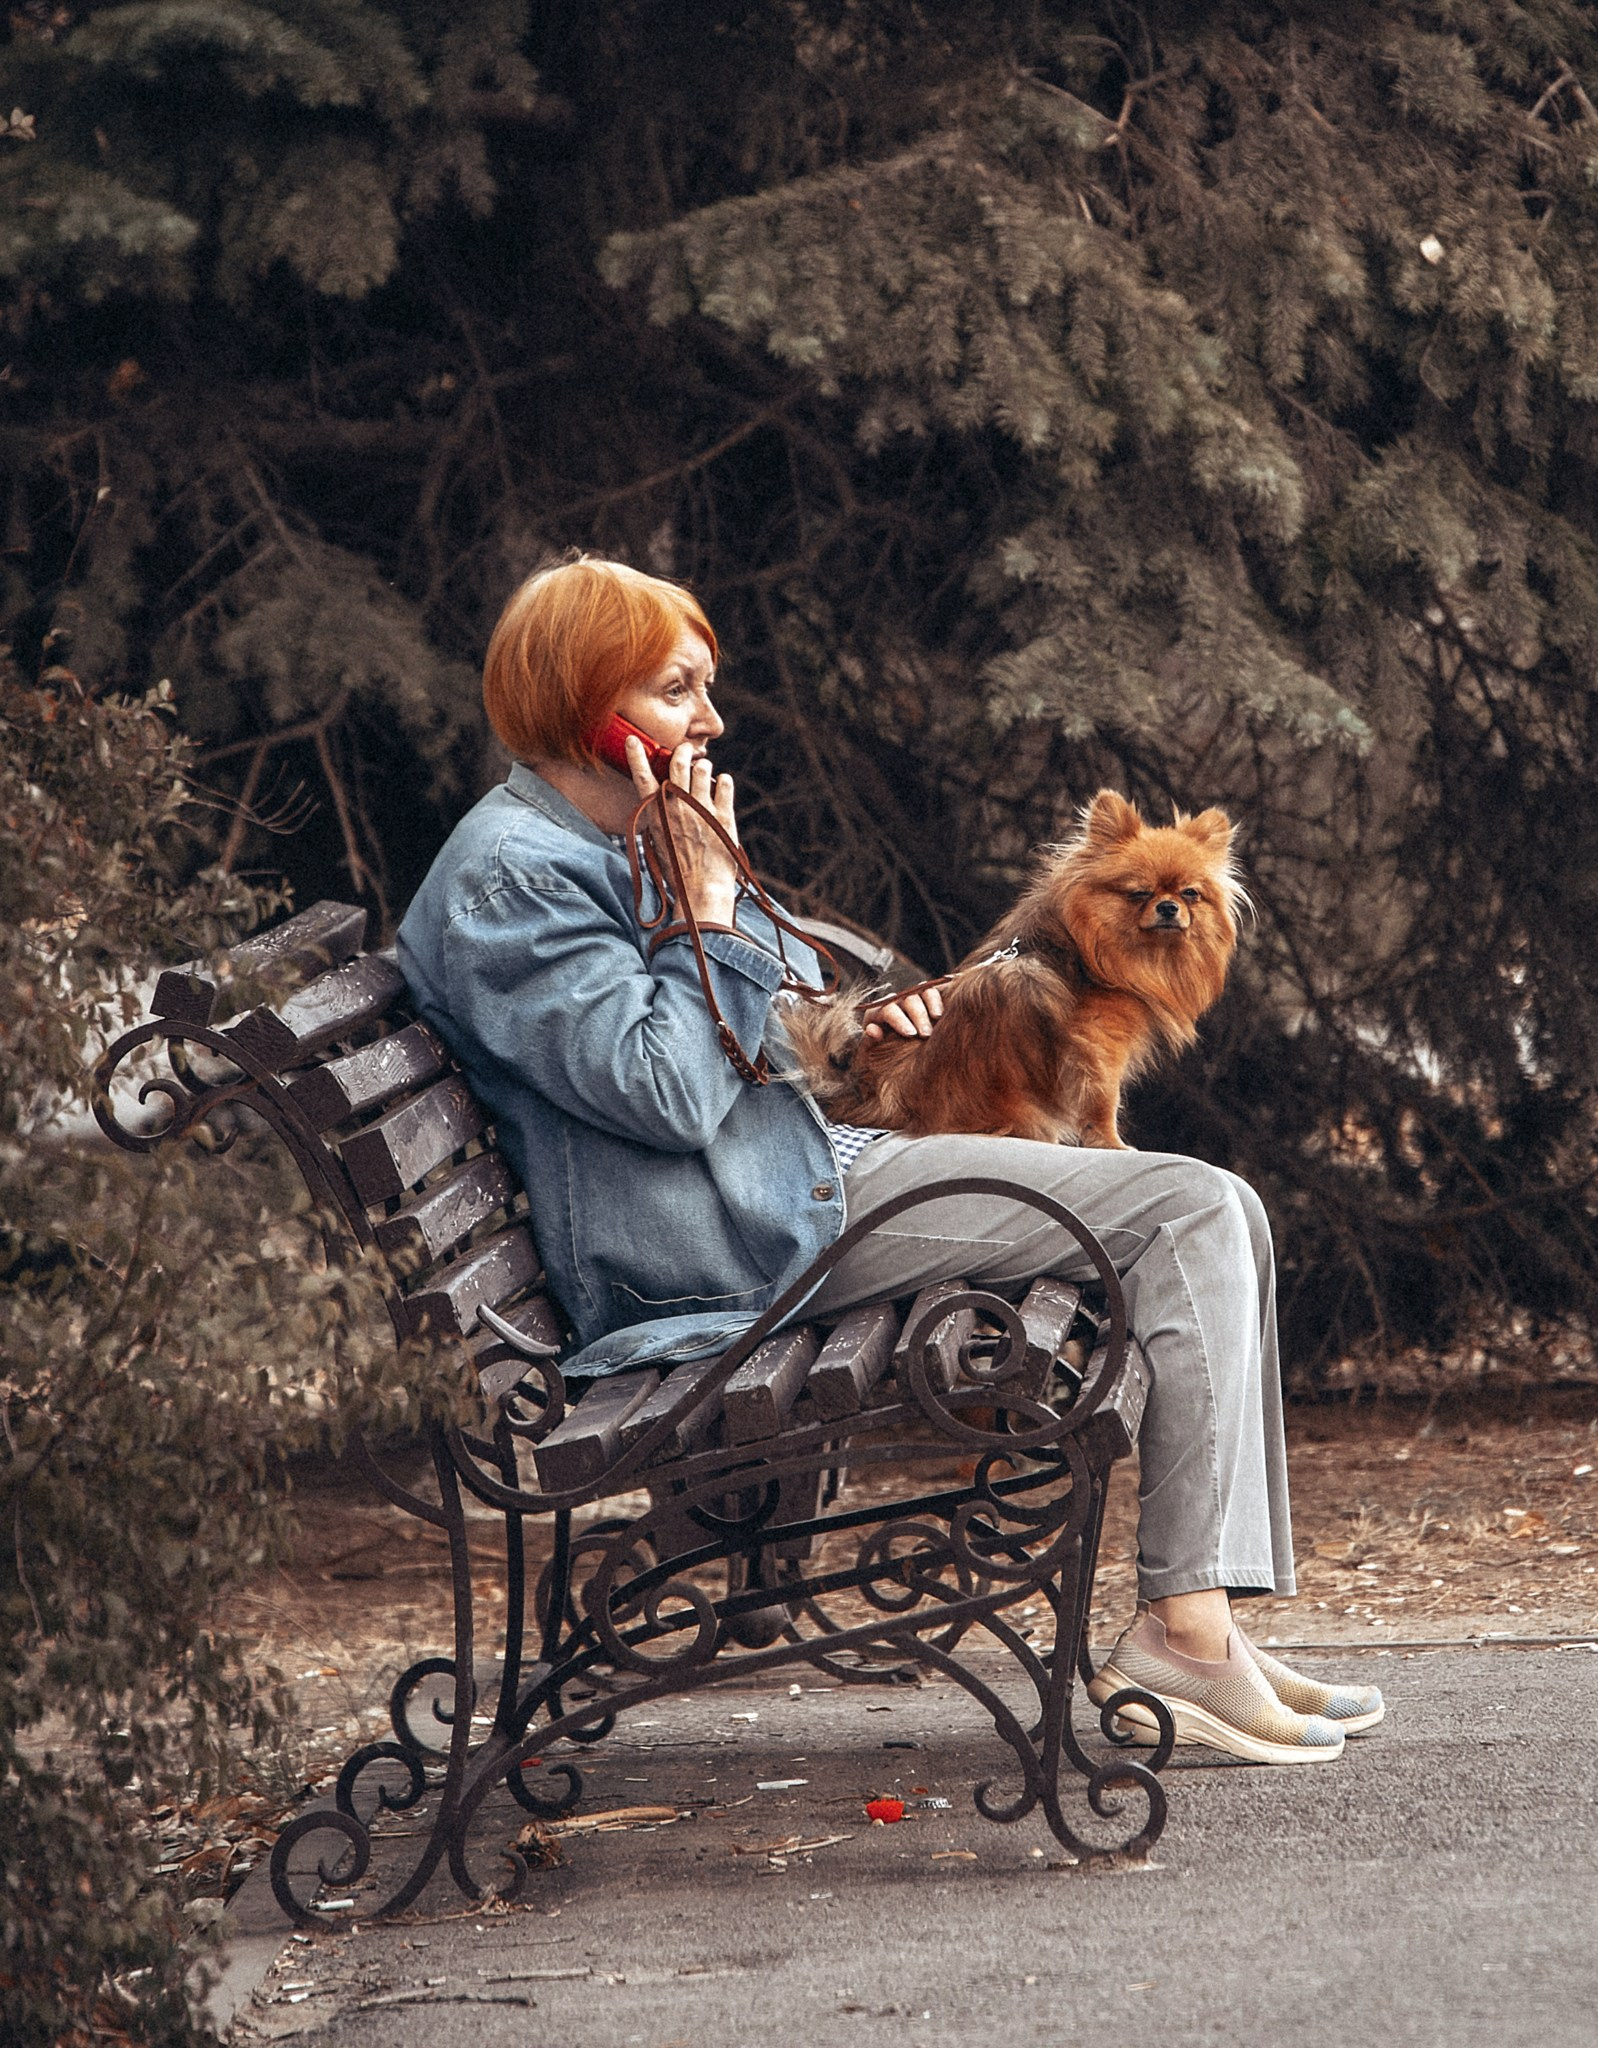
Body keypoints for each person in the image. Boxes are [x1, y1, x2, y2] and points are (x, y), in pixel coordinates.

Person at [396, 556, 1385, 1764]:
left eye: (707, 689)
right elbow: (660, 1092)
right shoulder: (511, 878)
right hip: (732, 1242)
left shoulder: (622, 835)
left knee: (1214, 1203)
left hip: (800, 1168)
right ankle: (1189, 1628)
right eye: (675, 690)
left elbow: (749, 1024)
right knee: (1189, 1206)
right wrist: (707, 904)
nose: (708, 720)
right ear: (586, 700)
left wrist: (851, 1025)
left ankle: (1206, 1621)